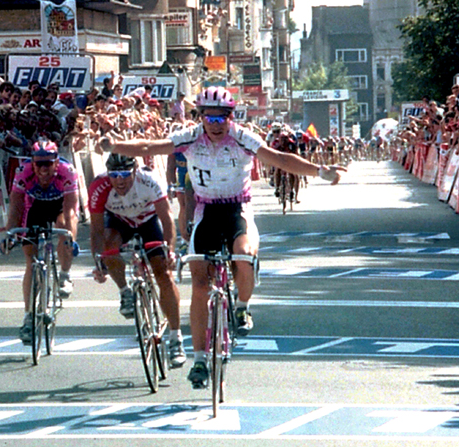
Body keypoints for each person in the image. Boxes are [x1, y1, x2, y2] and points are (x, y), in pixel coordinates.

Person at [99, 86, 345, 388]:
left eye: (221, 119)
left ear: (231, 117)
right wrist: (115, 146)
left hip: (237, 208)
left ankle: (241, 307)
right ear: (201, 116)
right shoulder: (190, 137)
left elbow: (279, 159)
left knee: (243, 255)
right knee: (199, 284)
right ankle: (200, 359)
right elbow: (151, 146)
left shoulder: (242, 137)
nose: (215, 125)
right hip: (206, 211)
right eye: (209, 118)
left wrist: (320, 171)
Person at [89, 153, 186, 368]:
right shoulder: (99, 186)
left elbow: (167, 219)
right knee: (109, 247)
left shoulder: (149, 181)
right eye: (114, 175)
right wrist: (99, 264)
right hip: (119, 221)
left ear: (135, 170)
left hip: (149, 221)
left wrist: (170, 250)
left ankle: (175, 337)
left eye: (125, 174)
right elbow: (95, 230)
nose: (120, 180)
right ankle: (125, 292)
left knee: (163, 274)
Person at [4, 141, 79, 345]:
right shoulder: (23, 171)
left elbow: (71, 209)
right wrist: (11, 233)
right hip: (35, 207)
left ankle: (64, 275)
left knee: (64, 228)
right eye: (39, 164)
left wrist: (71, 237)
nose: (43, 169)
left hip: (59, 206)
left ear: (56, 162)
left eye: (48, 164)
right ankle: (29, 316)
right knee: (30, 259)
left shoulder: (67, 171)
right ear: (33, 163)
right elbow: (16, 206)